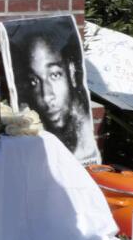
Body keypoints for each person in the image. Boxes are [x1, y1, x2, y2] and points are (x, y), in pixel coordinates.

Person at [8, 21, 97, 162]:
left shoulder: (85, 144)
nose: (46, 96)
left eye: (54, 75)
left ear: (72, 73)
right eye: (34, 81)